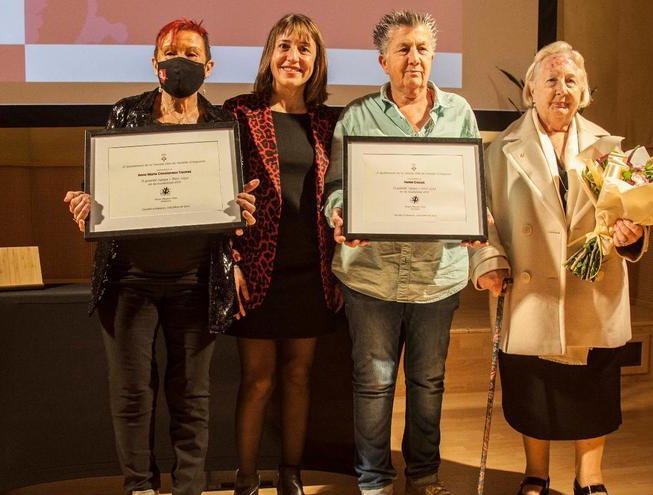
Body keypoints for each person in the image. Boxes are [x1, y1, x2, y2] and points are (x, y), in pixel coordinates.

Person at [63, 18, 258, 495]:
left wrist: (241, 214)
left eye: (191, 54)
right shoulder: (124, 114)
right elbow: (102, 189)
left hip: (197, 280)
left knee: (192, 397)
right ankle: (140, 487)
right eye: (170, 52)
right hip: (129, 279)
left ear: (209, 66)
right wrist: (86, 207)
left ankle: (188, 488)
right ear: (154, 64)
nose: (179, 61)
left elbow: (233, 209)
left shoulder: (223, 127)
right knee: (132, 396)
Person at [473, 41, 647, 495]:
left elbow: (633, 209)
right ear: (531, 88)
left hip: (593, 288)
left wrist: (634, 233)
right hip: (533, 288)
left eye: (571, 81)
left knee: (593, 387)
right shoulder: (503, 147)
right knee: (536, 387)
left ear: (584, 92)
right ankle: (537, 473)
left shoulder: (609, 146)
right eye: (551, 79)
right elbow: (485, 216)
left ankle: (590, 477)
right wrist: (491, 261)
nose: (561, 89)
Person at [323, 10, 483, 495]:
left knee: (428, 384)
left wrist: (477, 218)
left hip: (438, 277)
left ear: (433, 56)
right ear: (383, 61)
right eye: (403, 49)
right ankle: (374, 481)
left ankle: (424, 476)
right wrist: (341, 215)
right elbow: (337, 188)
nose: (414, 58)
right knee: (373, 385)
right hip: (370, 276)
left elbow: (471, 187)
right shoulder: (357, 117)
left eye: (422, 49)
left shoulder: (460, 115)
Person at [221, 13, 342, 495]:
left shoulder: (328, 121)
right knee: (257, 380)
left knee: (298, 376)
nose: (294, 57)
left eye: (305, 50)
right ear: (270, 54)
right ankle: (247, 477)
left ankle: (290, 473)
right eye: (285, 47)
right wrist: (229, 261)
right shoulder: (238, 113)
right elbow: (219, 196)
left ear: (317, 62)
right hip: (255, 270)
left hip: (312, 274)